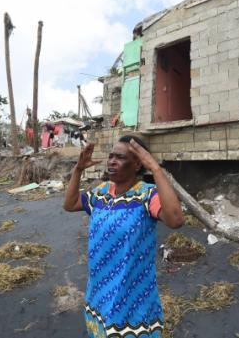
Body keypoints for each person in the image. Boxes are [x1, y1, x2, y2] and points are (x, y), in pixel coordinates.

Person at [63, 135, 184, 337]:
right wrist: (78, 169)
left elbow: (175, 219)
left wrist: (155, 168)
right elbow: (69, 204)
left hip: (132, 293)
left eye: (120, 157)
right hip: (99, 289)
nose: (112, 161)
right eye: (111, 156)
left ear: (137, 164)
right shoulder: (101, 193)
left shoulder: (146, 195)